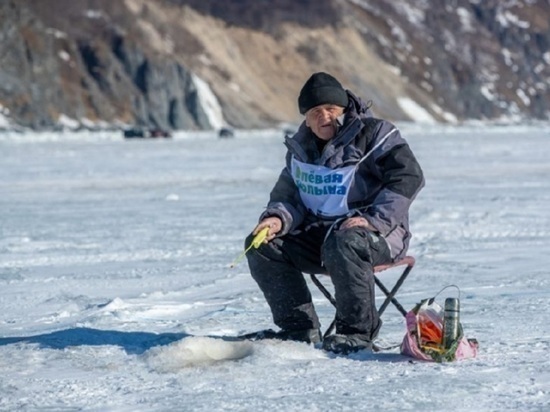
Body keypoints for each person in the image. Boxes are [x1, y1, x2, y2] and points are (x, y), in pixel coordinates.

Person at [244, 72, 424, 354]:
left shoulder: (375, 134)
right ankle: (298, 328)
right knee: (261, 246)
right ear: (306, 118)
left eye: (331, 109)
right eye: (316, 111)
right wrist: (277, 218)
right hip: (321, 238)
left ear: (344, 109)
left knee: (345, 241)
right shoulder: (299, 151)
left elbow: (409, 177)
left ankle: (356, 332)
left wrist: (374, 220)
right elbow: (289, 196)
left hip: (378, 236)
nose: (324, 116)